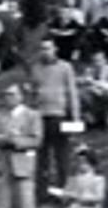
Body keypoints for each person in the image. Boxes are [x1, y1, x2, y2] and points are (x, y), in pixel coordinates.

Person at [30, 38, 80, 193]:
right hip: (40, 116)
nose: (45, 51)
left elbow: (72, 93)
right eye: (42, 48)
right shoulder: (35, 68)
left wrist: (76, 118)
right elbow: (33, 93)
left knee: (62, 155)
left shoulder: (65, 67)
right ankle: (42, 191)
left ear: (55, 49)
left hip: (60, 115)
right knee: (42, 157)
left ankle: (65, 189)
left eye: (48, 48)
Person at [79, 51, 108, 130]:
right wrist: (83, 81)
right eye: (94, 61)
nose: (97, 63)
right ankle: (92, 116)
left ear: (105, 60)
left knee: (105, 93)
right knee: (82, 94)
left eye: (99, 60)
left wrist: (97, 84)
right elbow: (84, 82)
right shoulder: (90, 71)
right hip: (95, 100)